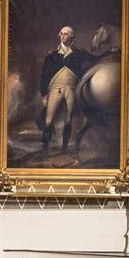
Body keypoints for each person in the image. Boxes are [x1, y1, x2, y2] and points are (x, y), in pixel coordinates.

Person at [39, 25, 105, 158]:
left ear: (71, 36)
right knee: (48, 120)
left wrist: (110, 52)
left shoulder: (79, 53)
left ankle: (64, 148)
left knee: (68, 120)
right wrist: (44, 95)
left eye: (66, 34)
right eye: (61, 34)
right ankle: (44, 150)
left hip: (72, 88)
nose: (63, 36)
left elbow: (94, 59)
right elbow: (45, 76)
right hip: (54, 88)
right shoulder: (52, 55)